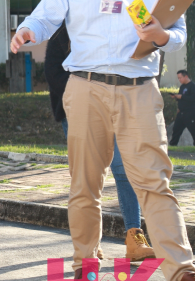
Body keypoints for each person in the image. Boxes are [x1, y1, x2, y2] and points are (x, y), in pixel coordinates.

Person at [11, 0, 195, 281]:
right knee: (85, 182)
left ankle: (182, 273)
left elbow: (178, 31)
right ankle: (84, 264)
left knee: (154, 182)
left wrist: (161, 37)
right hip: (86, 87)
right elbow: (44, 17)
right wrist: (27, 31)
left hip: (139, 90)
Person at [45, 23, 154, 262]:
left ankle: (134, 237)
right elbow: (53, 73)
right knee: (87, 178)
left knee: (123, 170)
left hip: (117, 107)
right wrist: (88, 92)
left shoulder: (109, 28)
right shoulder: (62, 35)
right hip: (79, 111)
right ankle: (90, 244)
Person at [169, 70, 195, 146]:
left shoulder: (192, 86)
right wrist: (176, 97)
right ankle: (173, 145)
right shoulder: (182, 86)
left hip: (190, 113)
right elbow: (181, 98)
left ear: (186, 76)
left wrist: (182, 97)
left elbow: (192, 98)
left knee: (193, 130)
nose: (179, 79)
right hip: (181, 113)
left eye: (180, 78)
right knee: (176, 129)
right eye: (178, 78)